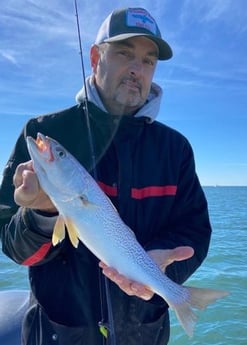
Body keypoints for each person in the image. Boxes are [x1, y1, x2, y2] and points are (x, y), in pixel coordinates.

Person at [0, 7, 212, 345]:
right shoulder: (45, 132)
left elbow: (195, 230)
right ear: (97, 56)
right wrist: (42, 213)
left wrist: (161, 267)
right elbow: (13, 247)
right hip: (57, 334)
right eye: (125, 54)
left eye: (147, 60)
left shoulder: (175, 149)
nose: (136, 69)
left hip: (145, 333)